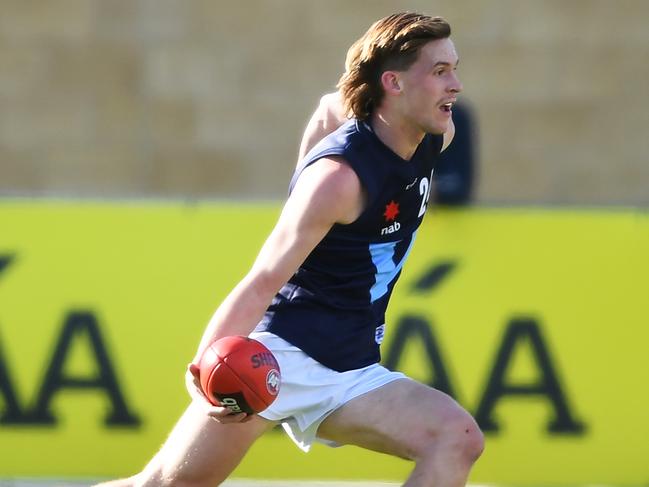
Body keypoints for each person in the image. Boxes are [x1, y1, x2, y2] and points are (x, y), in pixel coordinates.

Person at [97, 12, 483, 487]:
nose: (456, 85)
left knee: (458, 437)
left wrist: (301, 176)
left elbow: (328, 107)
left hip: (352, 365)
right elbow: (262, 280)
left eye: (455, 68)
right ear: (394, 83)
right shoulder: (337, 180)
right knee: (162, 485)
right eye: (440, 71)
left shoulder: (436, 136)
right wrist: (206, 369)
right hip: (280, 354)